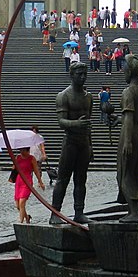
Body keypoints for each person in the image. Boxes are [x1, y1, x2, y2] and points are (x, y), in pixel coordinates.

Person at [50, 62, 94, 224]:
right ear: (71, 75)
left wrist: (91, 146)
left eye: (84, 74)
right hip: (70, 142)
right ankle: (55, 213)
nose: (82, 77)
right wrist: (76, 124)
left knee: (81, 179)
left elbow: (88, 124)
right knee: (63, 178)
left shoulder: (88, 97)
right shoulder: (64, 96)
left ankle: (79, 212)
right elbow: (61, 122)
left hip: (83, 143)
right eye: (79, 74)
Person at [117, 55, 138, 222]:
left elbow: (129, 117)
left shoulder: (128, 91)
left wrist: (127, 140)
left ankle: (134, 212)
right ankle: (134, 210)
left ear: (129, 72)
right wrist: (120, 119)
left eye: (124, 71)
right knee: (137, 172)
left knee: (124, 173)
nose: (123, 73)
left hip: (129, 135)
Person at [13, 146, 45, 224]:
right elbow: (14, 168)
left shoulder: (32, 158)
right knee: (18, 205)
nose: (21, 151)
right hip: (19, 181)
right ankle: (27, 217)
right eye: (20, 150)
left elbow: (36, 171)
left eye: (23, 150)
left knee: (22, 202)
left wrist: (40, 182)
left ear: (27, 150)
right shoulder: (18, 157)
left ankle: (20, 222)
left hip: (27, 181)